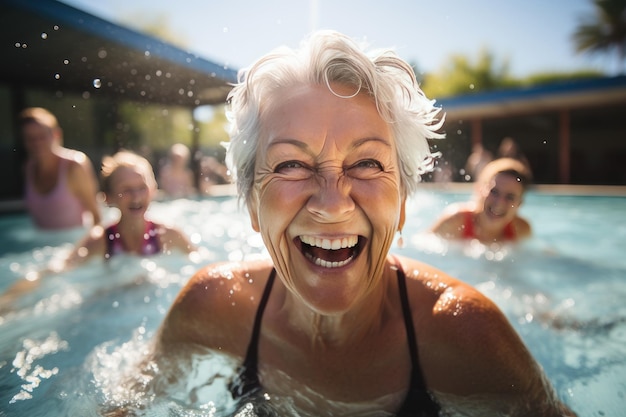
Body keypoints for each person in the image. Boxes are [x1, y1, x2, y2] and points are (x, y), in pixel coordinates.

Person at [124, 31, 575, 416]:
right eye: (290, 165)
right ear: (251, 204)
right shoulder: (212, 310)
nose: (333, 202)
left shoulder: (465, 337)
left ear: (402, 204)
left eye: (366, 163)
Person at [1, 150, 196, 308]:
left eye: (142, 187)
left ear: (153, 190)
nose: (136, 195)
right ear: (108, 197)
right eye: (125, 189)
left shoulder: (169, 235)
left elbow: (198, 263)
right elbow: (56, 269)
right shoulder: (101, 240)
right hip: (113, 305)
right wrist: (9, 301)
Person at [19, 107, 101, 229]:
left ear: (56, 134)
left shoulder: (74, 166)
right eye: (30, 138)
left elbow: (96, 216)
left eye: (41, 136)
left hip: (73, 244)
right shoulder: (28, 168)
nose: (36, 143)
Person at [430, 157, 532, 243]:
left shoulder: (521, 229)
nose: (500, 202)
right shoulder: (455, 221)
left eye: (510, 197)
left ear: (519, 204)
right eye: (494, 192)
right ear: (480, 190)